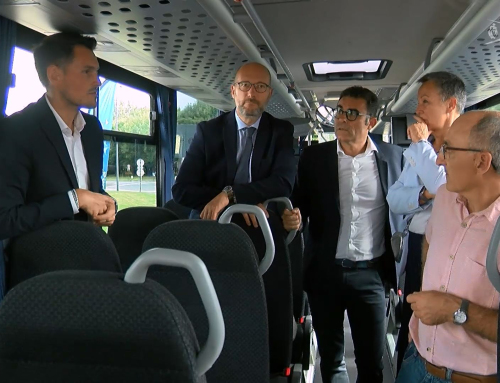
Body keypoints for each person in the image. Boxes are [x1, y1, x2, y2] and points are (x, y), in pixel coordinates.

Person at [283, 86, 404, 383]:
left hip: (371, 275)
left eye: (352, 113)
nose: (342, 118)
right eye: (339, 111)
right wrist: (293, 217)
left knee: (371, 364)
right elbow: (298, 203)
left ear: (371, 122)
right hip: (325, 272)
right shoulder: (314, 158)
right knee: (333, 361)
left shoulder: (394, 159)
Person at [396, 110, 500, 383]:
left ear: (481, 161)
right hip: (416, 362)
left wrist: (455, 310)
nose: (440, 159)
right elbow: (430, 246)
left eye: (448, 150)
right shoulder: (444, 198)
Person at [0, 32, 116, 241]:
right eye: (87, 72)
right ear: (54, 75)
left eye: (96, 72)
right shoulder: (17, 130)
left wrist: (107, 203)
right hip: (43, 268)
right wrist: (74, 199)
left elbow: (93, 188)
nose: (97, 82)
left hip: (92, 257)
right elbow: (5, 220)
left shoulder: (92, 129)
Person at [386, 71, 466, 371]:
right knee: (413, 319)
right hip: (419, 244)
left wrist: (421, 146)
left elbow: (445, 188)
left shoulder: (466, 143)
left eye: (425, 101)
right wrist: (421, 196)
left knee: (443, 323)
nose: (418, 110)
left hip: (450, 248)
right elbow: (394, 198)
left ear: (450, 105)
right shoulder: (425, 147)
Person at [172, 62, 295, 226]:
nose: (251, 93)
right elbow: (181, 189)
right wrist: (231, 202)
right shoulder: (208, 131)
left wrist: (230, 194)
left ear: (269, 94)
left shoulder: (281, 132)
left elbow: (283, 183)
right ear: (233, 91)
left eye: (260, 86)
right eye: (245, 85)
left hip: (259, 221)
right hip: (213, 221)